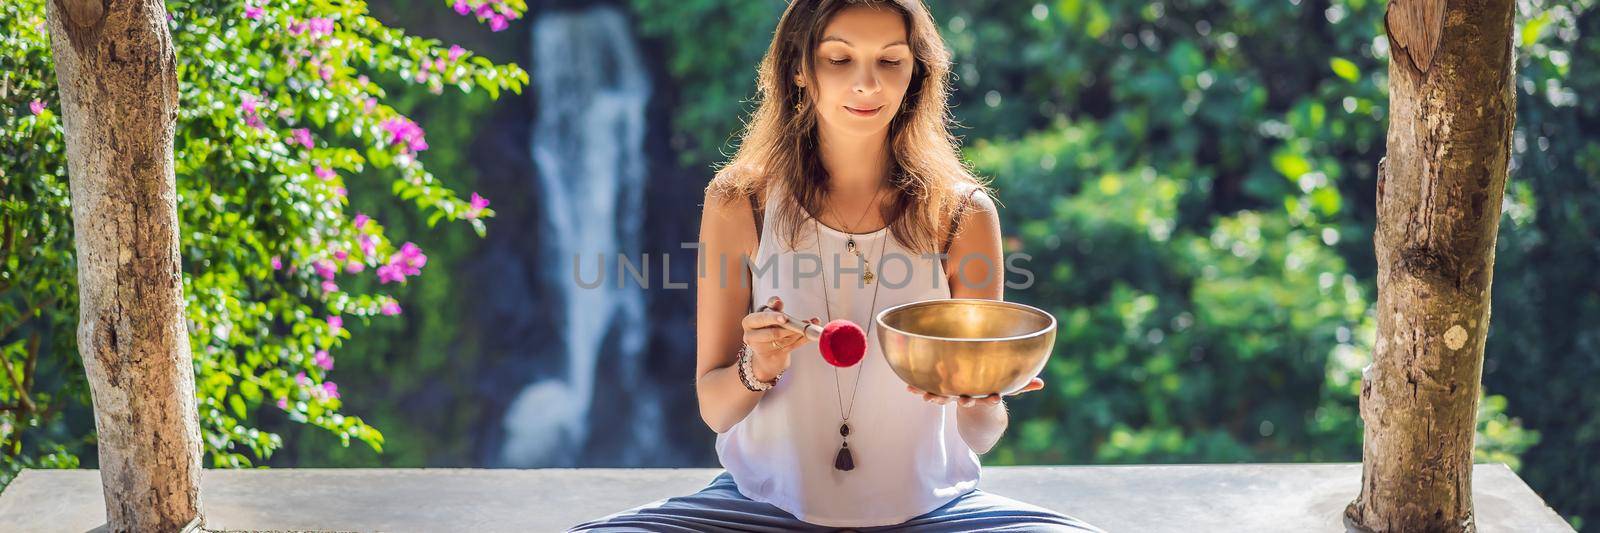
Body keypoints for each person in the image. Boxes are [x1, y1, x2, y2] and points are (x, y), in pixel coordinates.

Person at [572, 1, 1103, 531]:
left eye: (890, 61)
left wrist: (982, 396)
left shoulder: (962, 213)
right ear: (799, 68)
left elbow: (982, 434)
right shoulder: (741, 201)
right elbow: (716, 408)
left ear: (916, 71)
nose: (868, 84)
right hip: (758, 504)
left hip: (934, 510)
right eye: (839, 59)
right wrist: (756, 367)